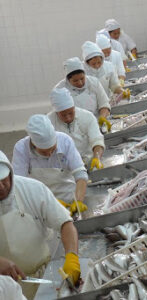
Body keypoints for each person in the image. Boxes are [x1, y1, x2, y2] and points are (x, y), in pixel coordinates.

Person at [0, 151, 80, 299]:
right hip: (4, 289)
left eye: (3, 179)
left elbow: (65, 223)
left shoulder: (32, 189)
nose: (1, 186)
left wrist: (72, 256)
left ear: (10, 172)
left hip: (43, 276)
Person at [12, 115, 89, 215]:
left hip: (68, 200)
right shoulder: (21, 149)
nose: (49, 154)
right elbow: (19, 185)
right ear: (33, 144)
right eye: (44, 152)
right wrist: (47, 203)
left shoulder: (65, 141)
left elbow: (80, 174)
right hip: (40, 204)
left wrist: (78, 201)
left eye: (53, 149)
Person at [47, 88, 105, 170]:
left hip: (90, 163)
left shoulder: (87, 117)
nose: (68, 118)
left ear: (74, 107)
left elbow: (97, 140)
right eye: (63, 115)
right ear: (56, 112)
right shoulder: (48, 123)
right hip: (64, 169)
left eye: (71, 113)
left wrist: (97, 157)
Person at [56, 57, 112, 131]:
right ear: (68, 79)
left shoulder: (94, 82)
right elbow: (61, 115)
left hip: (96, 123)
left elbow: (104, 103)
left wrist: (102, 118)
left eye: (82, 78)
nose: (80, 83)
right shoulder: (60, 90)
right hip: (75, 129)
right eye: (75, 81)